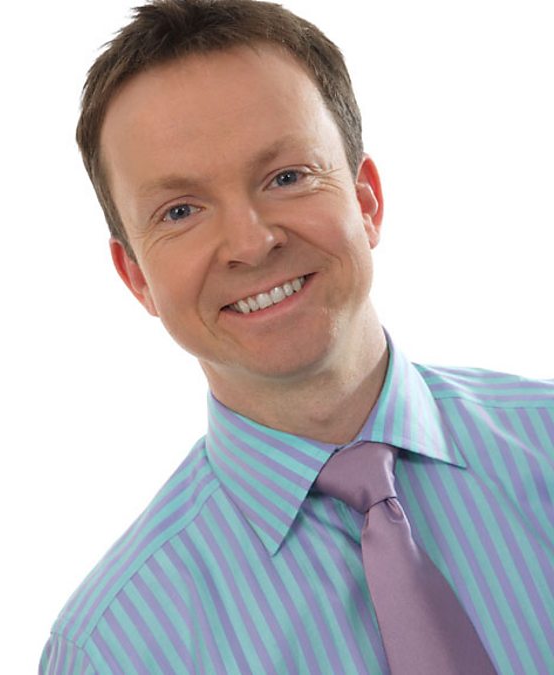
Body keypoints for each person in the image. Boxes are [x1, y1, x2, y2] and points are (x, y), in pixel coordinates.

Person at [39, 1, 554, 673]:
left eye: (287, 177)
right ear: (136, 277)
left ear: (366, 200)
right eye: (181, 210)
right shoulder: (115, 651)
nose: (251, 243)